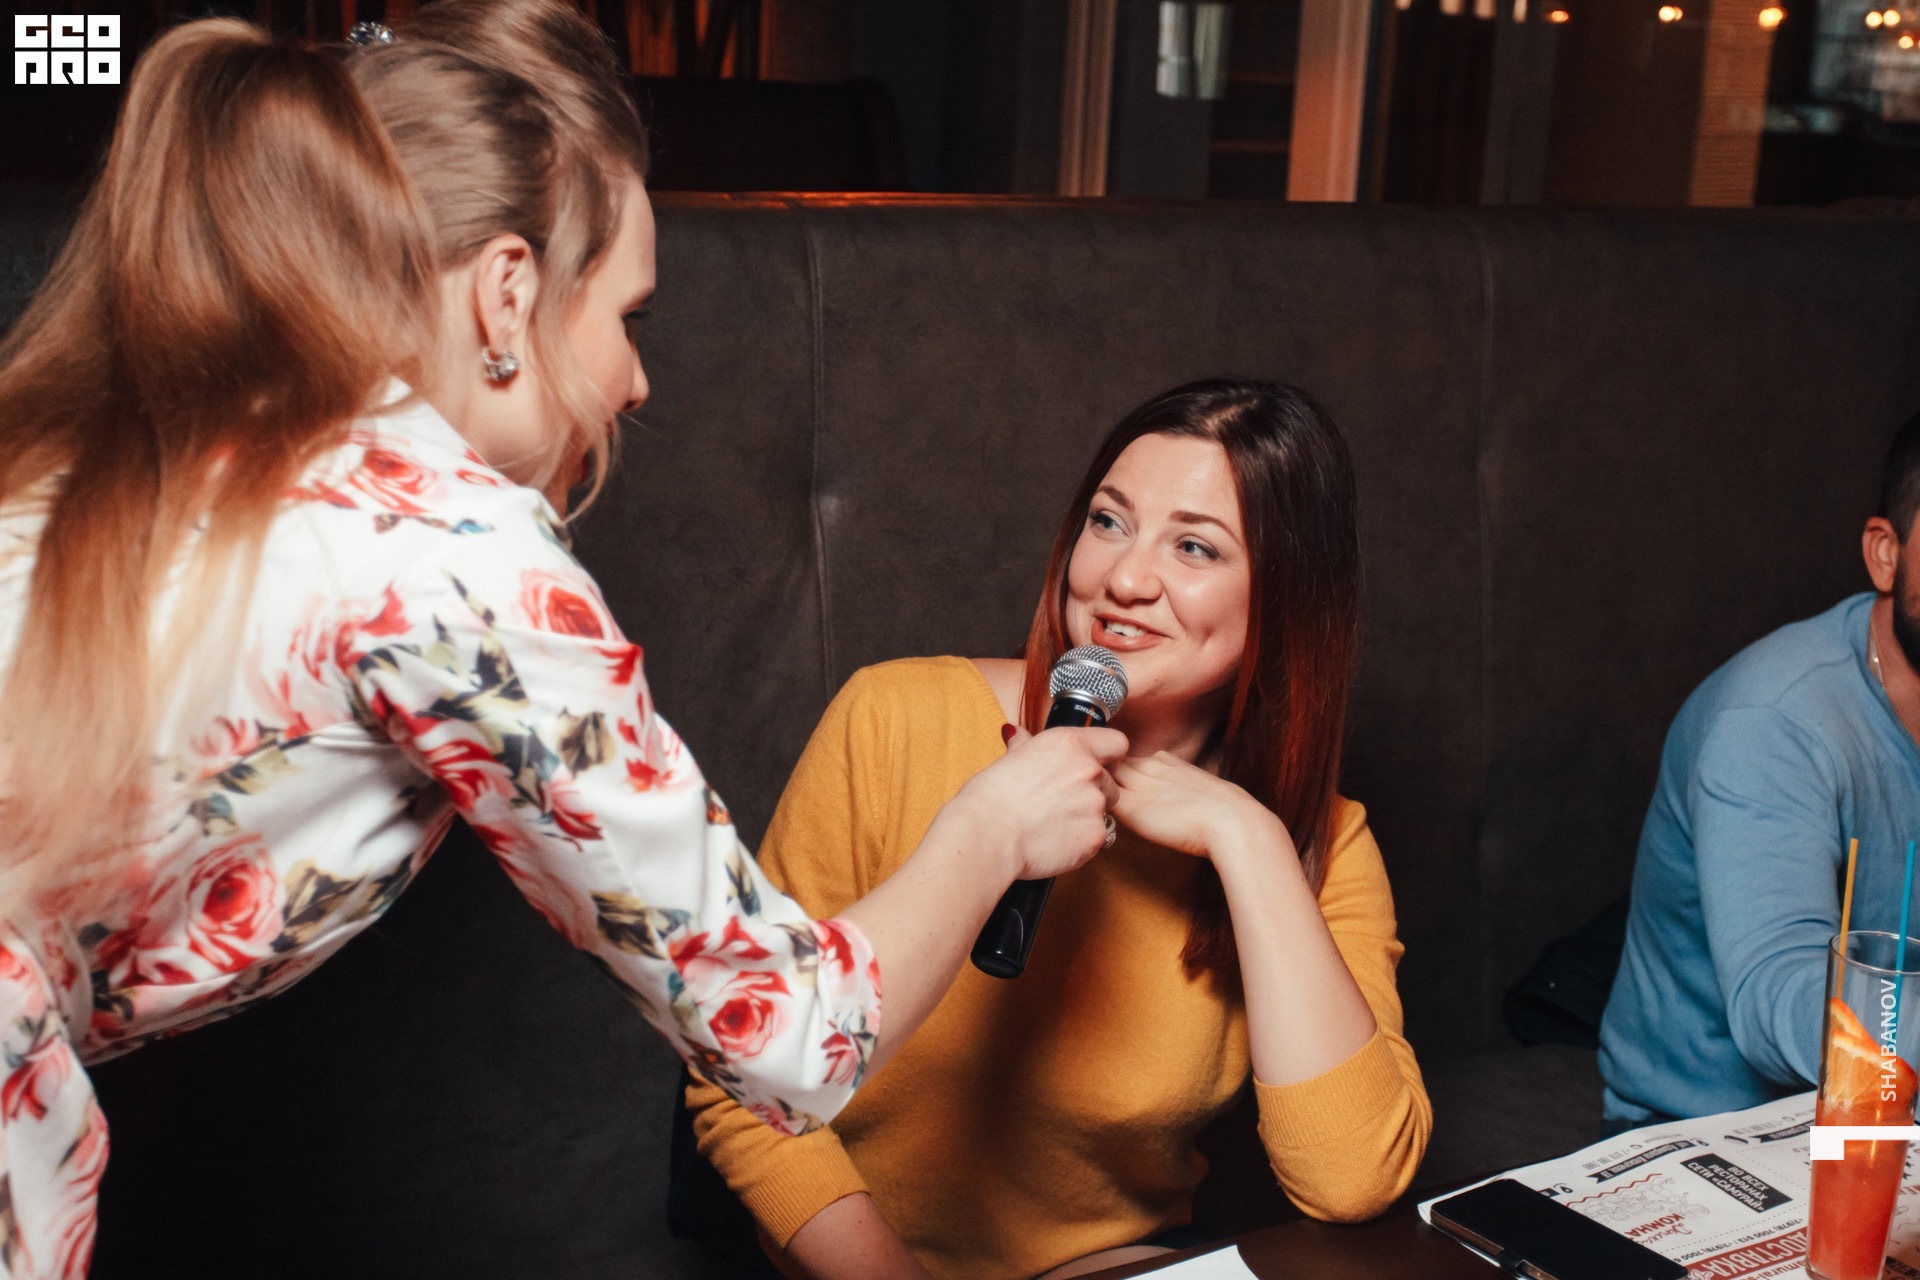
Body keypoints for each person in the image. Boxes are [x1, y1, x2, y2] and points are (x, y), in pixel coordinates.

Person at [0, 11, 1122, 1274]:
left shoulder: (144, 435)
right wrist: (997, 824)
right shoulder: (452, 548)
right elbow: (787, 1038)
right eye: (630, 313)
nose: (636, 380)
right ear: (508, 293)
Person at [685, 378, 1432, 1280]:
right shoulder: (896, 719)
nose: (1124, 579)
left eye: (1193, 546)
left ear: (1287, 598)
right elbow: (740, 1085)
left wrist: (1248, 838)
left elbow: (1353, 1181)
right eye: (1109, 522)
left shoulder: (1318, 840)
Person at [1599, 413, 1920, 1127]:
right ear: (1885, 555)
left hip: (1888, 1120)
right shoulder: (1773, 721)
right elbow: (1781, 995)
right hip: (1711, 1130)